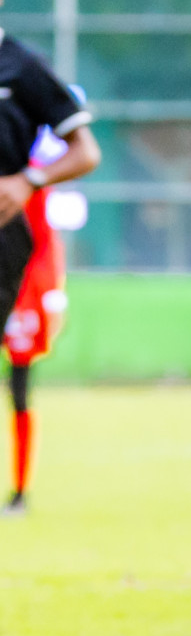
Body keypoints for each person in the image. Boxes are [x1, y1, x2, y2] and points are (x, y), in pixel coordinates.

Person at [0, 0, 101, 518]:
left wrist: (27, 180)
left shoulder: (22, 69)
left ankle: (19, 491)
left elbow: (86, 152)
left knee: (19, 384)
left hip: (12, 258)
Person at [4, 117, 80, 514]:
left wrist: (51, 296)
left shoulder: (31, 181)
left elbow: (45, 242)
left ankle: (20, 492)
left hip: (22, 293)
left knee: (19, 392)